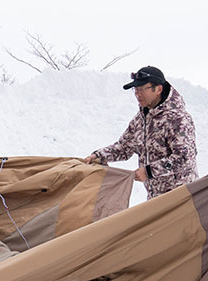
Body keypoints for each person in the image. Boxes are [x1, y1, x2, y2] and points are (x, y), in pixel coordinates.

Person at [84, 66, 198, 199]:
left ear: (158, 89)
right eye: (136, 89)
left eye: (142, 89)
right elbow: (124, 147)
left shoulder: (178, 119)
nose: (138, 94)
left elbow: (184, 158)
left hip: (182, 197)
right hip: (156, 198)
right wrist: (98, 156)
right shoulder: (140, 120)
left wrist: (149, 171)